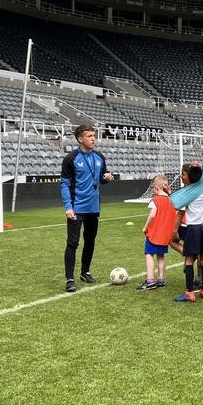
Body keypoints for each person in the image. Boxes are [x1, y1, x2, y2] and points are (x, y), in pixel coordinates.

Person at [60, 124, 114, 293]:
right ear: (80, 139)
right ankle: (70, 279)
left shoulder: (99, 157)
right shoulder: (71, 158)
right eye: (89, 136)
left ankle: (85, 272)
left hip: (93, 208)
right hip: (76, 208)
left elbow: (101, 178)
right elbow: (64, 184)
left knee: (90, 241)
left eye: (93, 135)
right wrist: (68, 207)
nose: (93, 138)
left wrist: (107, 178)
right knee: (73, 243)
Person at [171, 162, 203, 302]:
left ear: (189, 177)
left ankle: (189, 292)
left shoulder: (187, 193)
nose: (181, 177)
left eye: (184, 174)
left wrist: (168, 192)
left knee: (189, 260)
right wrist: (199, 165)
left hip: (193, 227)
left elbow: (174, 203)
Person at [137, 174, 174, 290]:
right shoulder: (171, 200)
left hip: (154, 234)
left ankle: (150, 280)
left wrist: (145, 227)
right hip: (165, 234)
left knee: (149, 255)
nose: (153, 189)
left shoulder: (155, 200)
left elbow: (152, 215)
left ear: (157, 188)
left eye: (153, 187)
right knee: (161, 256)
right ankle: (161, 279)